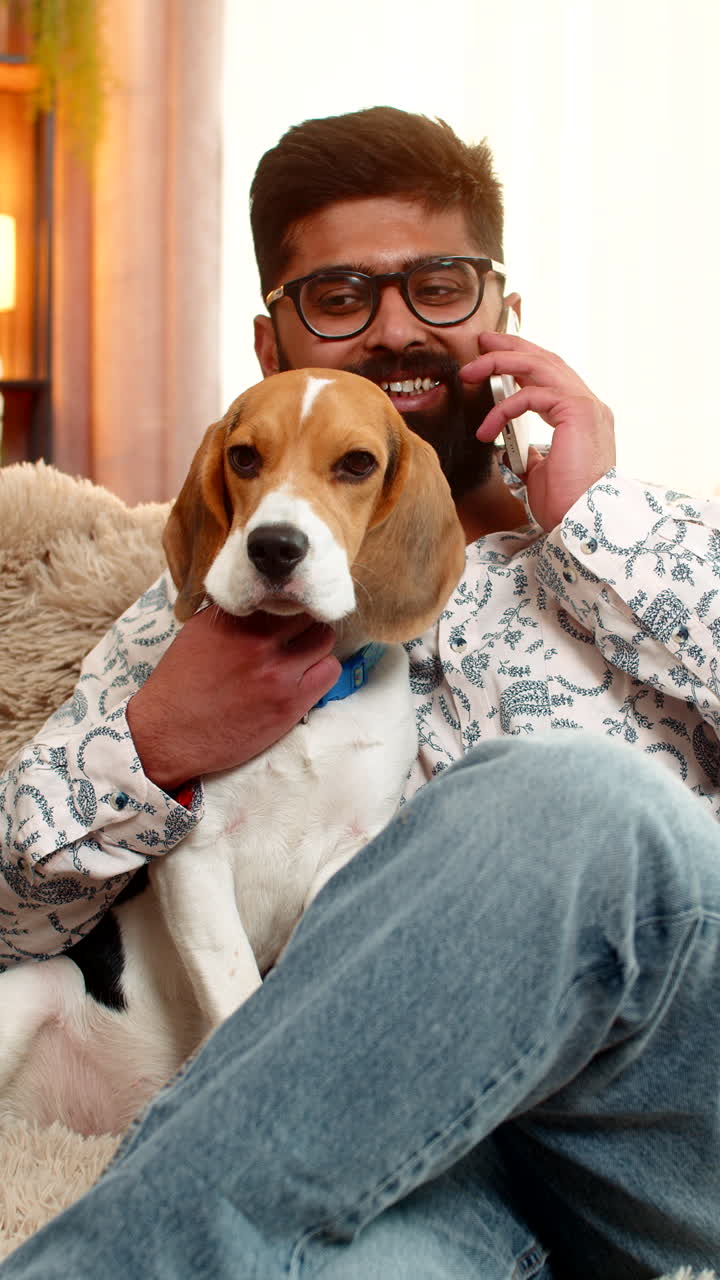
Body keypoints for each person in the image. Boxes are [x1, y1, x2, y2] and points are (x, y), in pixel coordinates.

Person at [0, 106, 719, 1277]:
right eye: (337, 297)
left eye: (439, 284)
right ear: (271, 345)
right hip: (407, 1158)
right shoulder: (193, 605)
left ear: (503, 314)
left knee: (564, 799)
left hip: (658, 1120)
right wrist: (151, 742)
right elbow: (6, 918)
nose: (394, 329)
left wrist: (603, 525)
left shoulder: (651, 540)